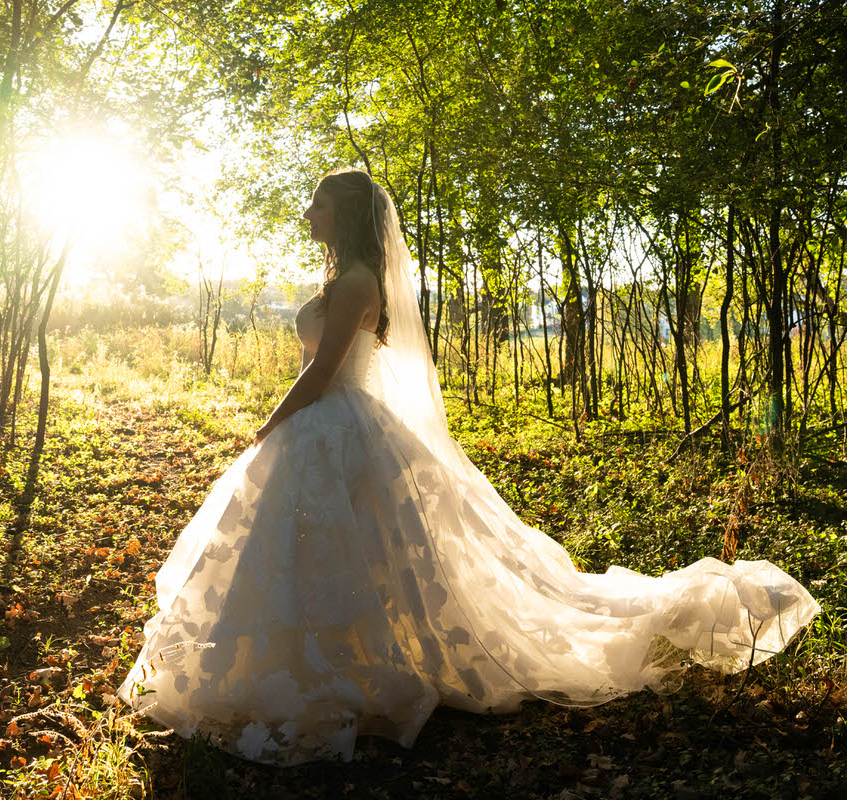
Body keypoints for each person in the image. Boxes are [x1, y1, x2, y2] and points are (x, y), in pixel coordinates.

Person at [115, 167, 822, 766]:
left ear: (347, 214)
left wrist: (271, 423)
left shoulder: (359, 279)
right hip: (329, 428)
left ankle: (342, 670)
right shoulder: (344, 276)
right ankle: (318, 660)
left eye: (320, 205)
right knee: (330, 550)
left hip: (335, 426)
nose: (309, 213)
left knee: (352, 548)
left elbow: (326, 369)